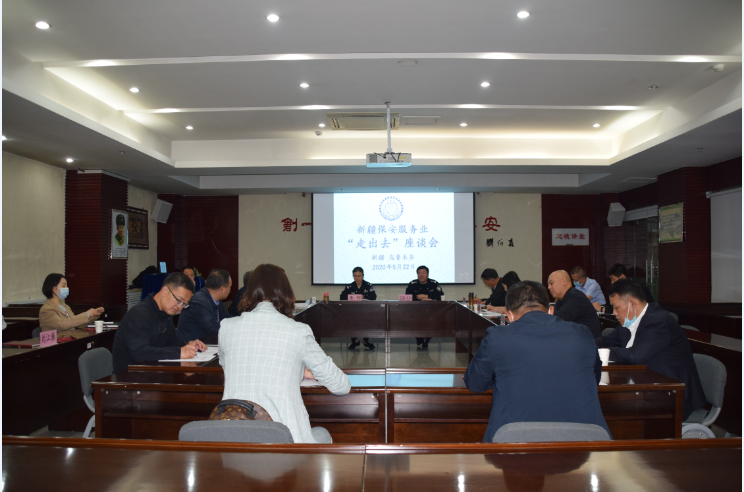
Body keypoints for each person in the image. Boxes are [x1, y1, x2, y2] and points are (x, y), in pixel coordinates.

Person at [219, 263, 350, 443]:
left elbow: (230, 368)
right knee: (323, 434)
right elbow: (341, 386)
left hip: (234, 439)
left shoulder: (226, 328)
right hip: (285, 442)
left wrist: (296, 369)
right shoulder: (298, 331)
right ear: (285, 292)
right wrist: (301, 371)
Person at [465, 281, 610, 443]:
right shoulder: (582, 334)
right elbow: (594, 378)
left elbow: (475, 384)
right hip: (586, 441)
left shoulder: (497, 337)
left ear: (509, 315)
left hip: (514, 442)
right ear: (551, 311)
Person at [596, 279, 706, 420]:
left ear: (632, 304)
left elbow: (636, 356)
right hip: (646, 386)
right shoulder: (629, 321)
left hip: (671, 395)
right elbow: (608, 340)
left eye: (616, 308)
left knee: (617, 411)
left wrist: (604, 352)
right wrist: (584, 344)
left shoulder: (657, 321)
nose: (614, 313)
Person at [112, 272, 206, 372]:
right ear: (165, 290)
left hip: (153, 372)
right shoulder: (139, 315)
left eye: (184, 304)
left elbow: (172, 340)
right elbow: (139, 352)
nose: (179, 307)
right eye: (179, 300)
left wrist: (188, 344)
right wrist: (178, 352)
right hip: (129, 376)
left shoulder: (165, 312)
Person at [176, 268, 233, 345]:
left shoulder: (217, 300)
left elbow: (227, 318)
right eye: (229, 287)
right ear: (221, 289)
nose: (230, 290)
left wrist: (241, 322)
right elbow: (213, 327)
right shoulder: (200, 301)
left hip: (205, 342)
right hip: (190, 345)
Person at [39, 273, 105, 339]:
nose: (66, 288)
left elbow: (77, 324)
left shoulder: (65, 306)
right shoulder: (46, 309)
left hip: (71, 339)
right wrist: (87, 314)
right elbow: (62, 325)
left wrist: (93, 315)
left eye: (66, 286)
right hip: (58, 342)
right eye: (63, 286)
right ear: (53, 288)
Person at [547, 270, 602, 337]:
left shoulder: (577, 297)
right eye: (548, 284)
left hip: (588, 341)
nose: (549, 287)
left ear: (564, 281)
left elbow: (561, 318)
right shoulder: (560, 300)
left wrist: (541, 310)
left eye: (551, 283)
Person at [405, 265, 444, 349]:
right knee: (413, 320)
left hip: (431, 311)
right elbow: (407, 297)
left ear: (428, 274)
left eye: (423, 273)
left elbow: (441, 296)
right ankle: (419, 338)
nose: (421, 275)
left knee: (432, 321)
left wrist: (427, 296)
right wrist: (423, 298)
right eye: (419, 273)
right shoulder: (413, 284)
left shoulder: (434, 283)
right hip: (416, 311)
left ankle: (427, 339)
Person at [340, 267, 377, 350]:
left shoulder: (368, 285)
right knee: (350, 320)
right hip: (352, 311)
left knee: (367, 321)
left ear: (363, 276)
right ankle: (355, 341)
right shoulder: (349, 286)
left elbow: (373, 296)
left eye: (359, 276)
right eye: (355, 276)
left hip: (366, 311)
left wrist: (363, 296)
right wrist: (353, 297)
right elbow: (342, 297)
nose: (357, 278)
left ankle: (366, 341)